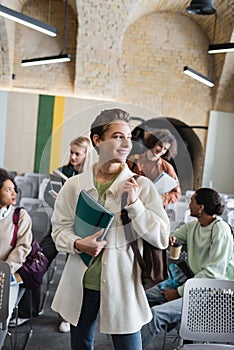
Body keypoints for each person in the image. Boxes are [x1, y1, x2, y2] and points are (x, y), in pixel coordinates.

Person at [51, 108, 170, 350]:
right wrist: (77, 243)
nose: (126, 143)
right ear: (98, 140)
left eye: (128, 137)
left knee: (129, 346)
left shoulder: (142, 187)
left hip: (122, 283)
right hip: (81, 283)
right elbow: (58, 230)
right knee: (81, 344)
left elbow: (161, 237)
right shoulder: (74, 186)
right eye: (117, 136)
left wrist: (135, 205)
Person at [141, 187, 234, 349]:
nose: (188, 204)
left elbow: (214, 274)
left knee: (156, 315)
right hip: (193, 287)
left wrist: (179, 292)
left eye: (192, 201)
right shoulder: (193, 227)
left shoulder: (221, 230)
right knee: (141, 298)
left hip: (213, 294)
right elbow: (170, 236)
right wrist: (167, 237)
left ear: (201, 207)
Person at [0, 168, 32, 349]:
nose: (14, 193)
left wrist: (5, 271)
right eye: (8, 189)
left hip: (8, 276)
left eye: (14, 189)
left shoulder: (20, 216)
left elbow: (23, 247)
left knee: (1, 316)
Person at [127, 128, 181, 207]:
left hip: (155, 210)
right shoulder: (134, 160)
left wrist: (161, 198)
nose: (161, 150)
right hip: (133, 206)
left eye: (165, 149)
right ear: (153, 142)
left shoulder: (167, 167)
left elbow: (177, 193)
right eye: (160, 145)